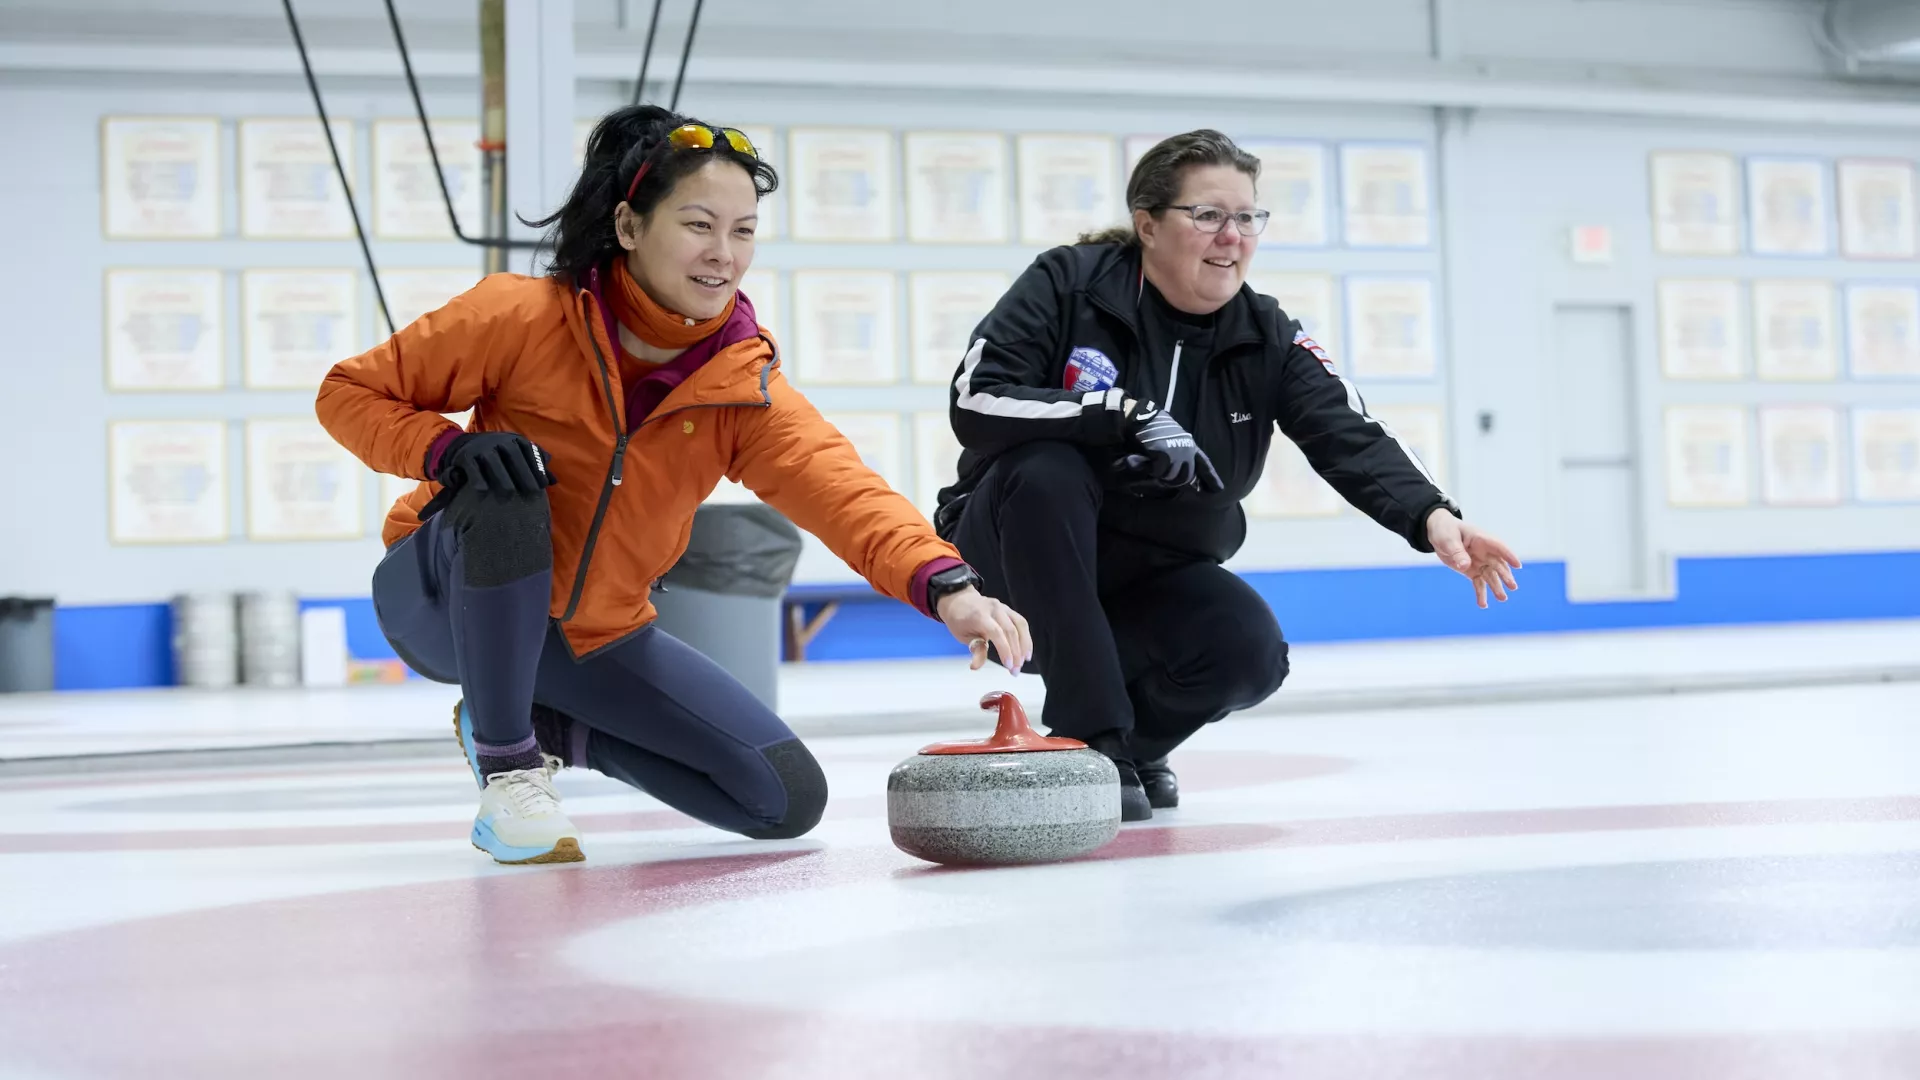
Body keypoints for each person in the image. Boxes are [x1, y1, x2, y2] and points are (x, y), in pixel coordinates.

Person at [317, 105, 1031, 865]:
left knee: (784, 799)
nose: (723, 254)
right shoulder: (517, 318)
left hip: (595, 634)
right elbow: (348, 393)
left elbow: (843, 492)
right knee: (508, 486)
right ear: (629, 227)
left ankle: (552, 732)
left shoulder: (739, 388)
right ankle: (509, 769)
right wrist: (446, 449)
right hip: (448, 600)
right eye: (698, 225)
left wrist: (948, 584)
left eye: (744, 231)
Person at [934, 129, 1520, 822]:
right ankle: (1095, 738)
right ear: (1148, 225)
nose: (1232, 236)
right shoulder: (1070, 282)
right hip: (1020, 551)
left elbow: (1348, 430)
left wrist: (1432, 517)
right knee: (1049, 469)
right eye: (1208, 215)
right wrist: (1120, 412)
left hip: (1153, 563)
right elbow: (977, 397)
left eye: (1247, 218)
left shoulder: (1265, 333)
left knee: (1248, 651)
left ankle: (1121, 747)